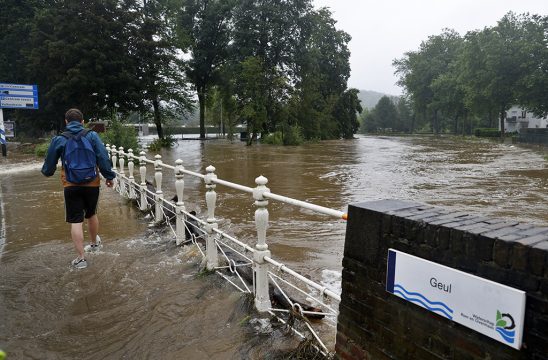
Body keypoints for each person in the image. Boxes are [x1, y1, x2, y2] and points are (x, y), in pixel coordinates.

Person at [41, 108, 115, 269]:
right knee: (92, 214)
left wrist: (47, 172)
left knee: (75, 220)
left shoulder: (59, 139)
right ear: (82, 122)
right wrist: (109, 176)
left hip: (71, 184)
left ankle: (81, 259)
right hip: (92, 183)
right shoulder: (92, 135)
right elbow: (103, 157)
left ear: (66, 122)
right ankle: (94, 245)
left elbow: (49, 166)